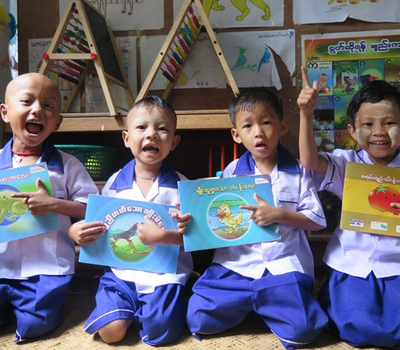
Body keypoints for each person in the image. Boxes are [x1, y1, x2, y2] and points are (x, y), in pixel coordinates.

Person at [186, 87, 328, 349]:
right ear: (236, 135)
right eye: (248, 126)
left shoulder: (298, 170)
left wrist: (280, 215)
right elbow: (214, 217)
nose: (258, 132)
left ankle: (259, 303)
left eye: (266, 122)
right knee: (197, 318)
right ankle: (258, 304)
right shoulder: (230, 173)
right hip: (236, 265)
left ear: (282, 126)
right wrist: (191, 219)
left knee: (304, 330)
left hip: (282, 266)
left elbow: (317, 220)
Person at [68, 95, 193, 346]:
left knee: (160, 334)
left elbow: (194, 238)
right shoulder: (114, 184)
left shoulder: (183, 187)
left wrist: (164, 236)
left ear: (174, 142)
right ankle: (127, 310)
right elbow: (102, 228)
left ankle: (157, 307)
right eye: (141, 127)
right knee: (110, 333)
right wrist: (76, 231)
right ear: (126, 139)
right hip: (121, 273)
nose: (152, 135)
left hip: (164, 276)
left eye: (162, 129)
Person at [298, 66, 400, 349]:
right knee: (355, 327)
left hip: (397, 265)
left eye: (390, 122)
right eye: (368, 125)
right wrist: (307, 114)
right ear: (353, 131)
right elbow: (309, 161)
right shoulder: (346, 163)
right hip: (353, 264)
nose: (379, 132)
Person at [0, 72, 98, 342]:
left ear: (57, 122)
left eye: (48, 106)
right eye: (26, 101)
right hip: (2, 264)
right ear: (5, 113)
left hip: (47, 268)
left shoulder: (68, 165)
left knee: (34, 325)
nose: (37, 110)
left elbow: (92, 207)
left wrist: (54, 204)